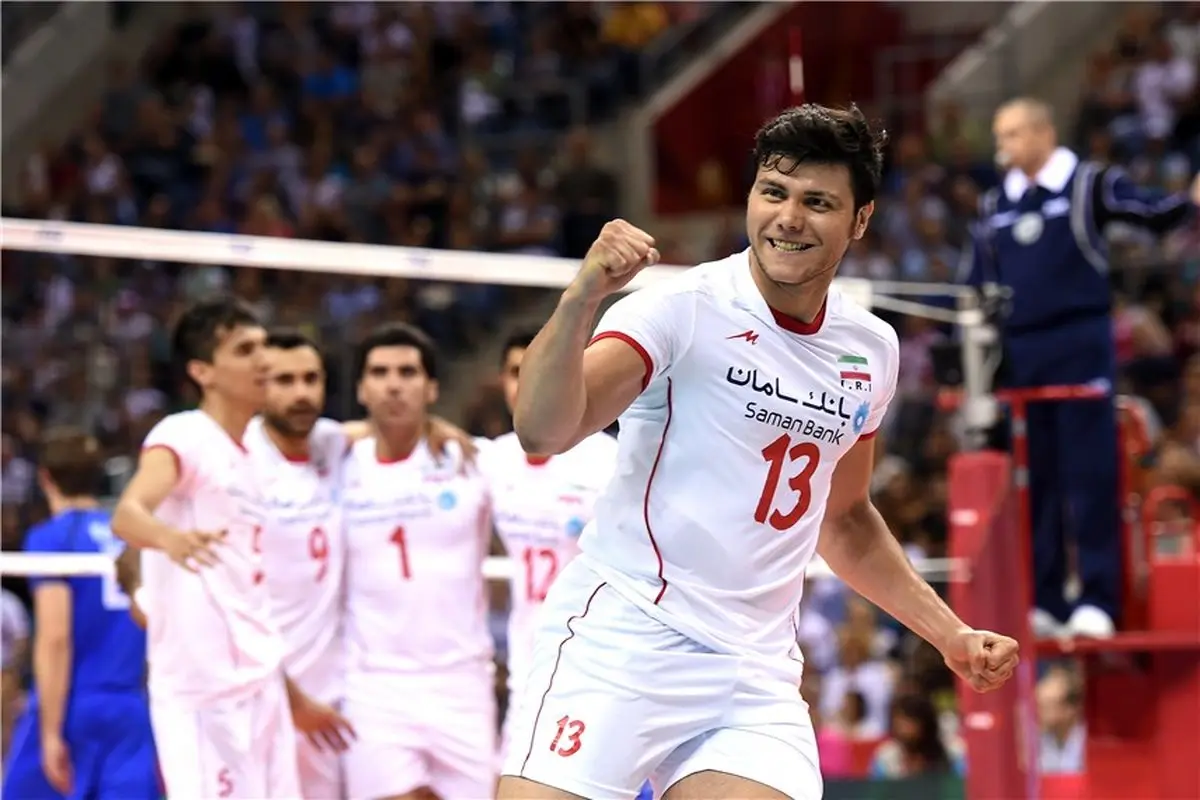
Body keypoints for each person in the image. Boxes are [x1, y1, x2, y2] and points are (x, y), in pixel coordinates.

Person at [501, 103, 1020, 800]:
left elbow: (845, 519)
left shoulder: (871, 349)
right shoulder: (681, 309)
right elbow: (542, 431)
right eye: (773, 192)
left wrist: (949, 634)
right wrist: (580, 297)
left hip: (751, 672)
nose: (788, 218)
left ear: (860, 220)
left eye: (818, 203)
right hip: (623, 637)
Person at [961, 97, 1200, 639]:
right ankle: (1047, 599)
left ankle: (1098, 598)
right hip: (1022, 353)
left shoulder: (1088, 185)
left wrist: (1188, 201)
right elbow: (975, 284)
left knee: (1089, 476)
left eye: (1012, 134)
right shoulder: (995, 204)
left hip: (1080, 343)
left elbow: (1149, 212)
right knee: (1036, 481)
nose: (1002, 147)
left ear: (1043, 133)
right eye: (999, 136)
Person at [111, 297, 351, 799]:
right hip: (205, 695)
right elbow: (128, 514)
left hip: (262, 683)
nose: (262, 360)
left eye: (263, 346)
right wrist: (170, 539)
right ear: (202, 371)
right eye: (245, 350)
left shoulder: (255, 456)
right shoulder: (184, 434)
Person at [341, 322, 496, 800]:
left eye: (407, 372)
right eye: (380, 372)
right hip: (373, 685)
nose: (394, 384)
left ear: (431, 388)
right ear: (361, 389)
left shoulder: (473, 460)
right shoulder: (335, 462)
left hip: (462, 682)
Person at [479, 330, 619, 757]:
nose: (527, 383)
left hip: (595, 666)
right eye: (515, 372)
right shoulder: (492, 459)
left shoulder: (609, 460)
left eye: (541, 369)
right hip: (527, 664)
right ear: (501, 382)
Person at [2, 428, 158, 800]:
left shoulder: (53, 537)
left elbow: (55, 637)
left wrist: (50, 731)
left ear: (45, 478)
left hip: (73, 704)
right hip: (130, 706)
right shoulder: (128, 536)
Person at [244, 329, 352, 800]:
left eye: (311, 379)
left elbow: (371, 432)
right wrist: (288, 697)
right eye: (284, 381)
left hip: (329, 701)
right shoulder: (237, 462)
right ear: (258, 386)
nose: (301, 393)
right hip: (259, 694)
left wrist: (437, 429)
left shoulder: (330, 442)